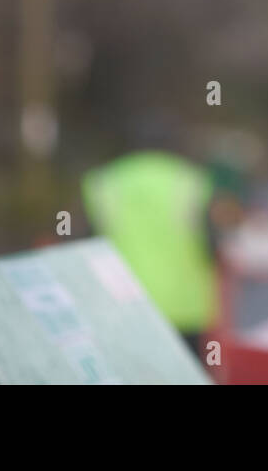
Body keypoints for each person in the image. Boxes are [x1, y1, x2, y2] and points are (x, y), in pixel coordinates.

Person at [82, 147, 247, 357]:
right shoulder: (192, 181)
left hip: (122, 306)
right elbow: (215, 242)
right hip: (184, 309)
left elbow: (82, 246)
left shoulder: (102, 182)